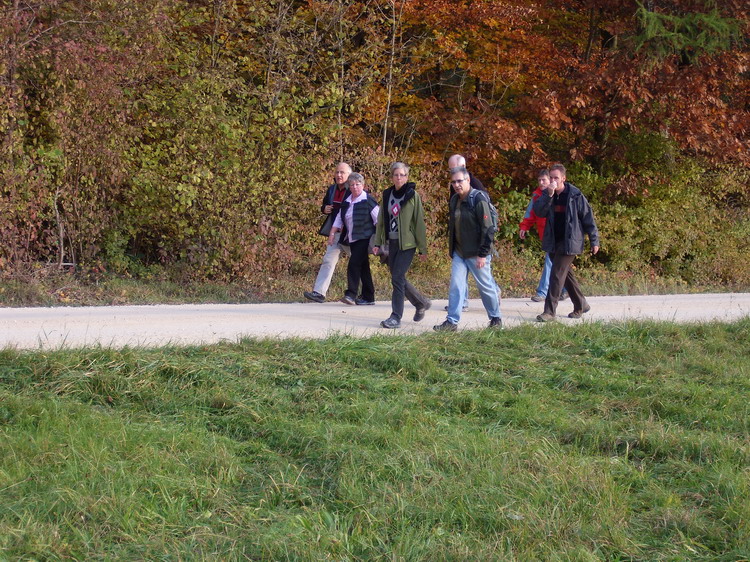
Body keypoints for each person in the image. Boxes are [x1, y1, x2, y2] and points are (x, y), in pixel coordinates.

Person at [434, 166, 502, 331]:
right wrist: (453, 250)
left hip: (477, 253)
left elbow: (488, 228)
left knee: (485, 287)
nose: (456, 185)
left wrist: (482, 254)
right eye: (453, 182)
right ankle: (451, 322)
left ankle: (495, 319)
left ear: (468, 180)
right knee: (456, 286)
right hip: (459, 252)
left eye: (460, 181)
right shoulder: (454, 200)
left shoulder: (478, 199)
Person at [533, 163, 600, 322]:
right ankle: (581, 304)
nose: (553, 181)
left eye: (556, 178)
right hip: (553, 240)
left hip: (570, 241)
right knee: (566, 275)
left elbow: (588, 218)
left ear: (563, 178)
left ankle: (549, 312)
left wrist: (594, 240)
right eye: (551, 178)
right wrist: (548, 196)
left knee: (556, 274)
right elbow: (539, 212)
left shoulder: (575, 195)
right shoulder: (547, 194)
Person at [372, 162, 431, 329]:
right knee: (398, 278)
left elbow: (419, 223)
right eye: (396, 175)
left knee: (397, 277)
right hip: (392, 243)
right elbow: (381, 221)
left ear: (407, 177)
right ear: (392, 177)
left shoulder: (412, 195)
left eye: (402, 175)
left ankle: (395, 317)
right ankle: (420, 303)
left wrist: (422, 248)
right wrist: (378, 242)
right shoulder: (387, 194)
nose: (399, 178)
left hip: (408, 244)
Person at [328, 173, 379, 306]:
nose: (355, 187)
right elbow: (339, 218)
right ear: (349, 187)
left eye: (358, 184)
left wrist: (379, 241)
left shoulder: (368, 200)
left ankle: (351, 294)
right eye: (352, 185)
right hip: (352, 239)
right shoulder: (347, 201)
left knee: (354, 264)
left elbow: (379, 220)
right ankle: (369, 297)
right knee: (363, 267)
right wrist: (332, 233)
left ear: (363, 185)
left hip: (365, 238)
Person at [303, 162, 352, 303]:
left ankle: (365, 294)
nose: (339, 175)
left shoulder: (353, 189)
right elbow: (325, 205)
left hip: (350, 234)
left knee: (358, 263)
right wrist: (324, 209)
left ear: (349, 175)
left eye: (342, 172)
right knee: (328, 261)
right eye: (337, 172)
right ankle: (319, 293)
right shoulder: (331, 189)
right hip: (335, 233)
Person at [446, 154, 487, 312]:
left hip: (476, 239)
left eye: (453, 168)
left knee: (483, 278)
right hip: (460, 238)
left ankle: (494, 295)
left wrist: (483, 246)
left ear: (463, 167)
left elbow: (486, 213)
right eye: (450, 169)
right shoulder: (454, 185)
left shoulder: (475, 185)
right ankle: (460, 304)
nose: (451, 172)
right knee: (458, 276)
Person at [519, 168, 567, 302]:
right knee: (559, 264)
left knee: (550, 262)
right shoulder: (537, 196)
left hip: (557, 235)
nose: (541, 183)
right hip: (546, 235)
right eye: (539, 180)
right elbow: (530, 213)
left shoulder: (559, 194)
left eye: (544, 180)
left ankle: (542, 292)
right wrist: (524, 227)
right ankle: (566, 289)